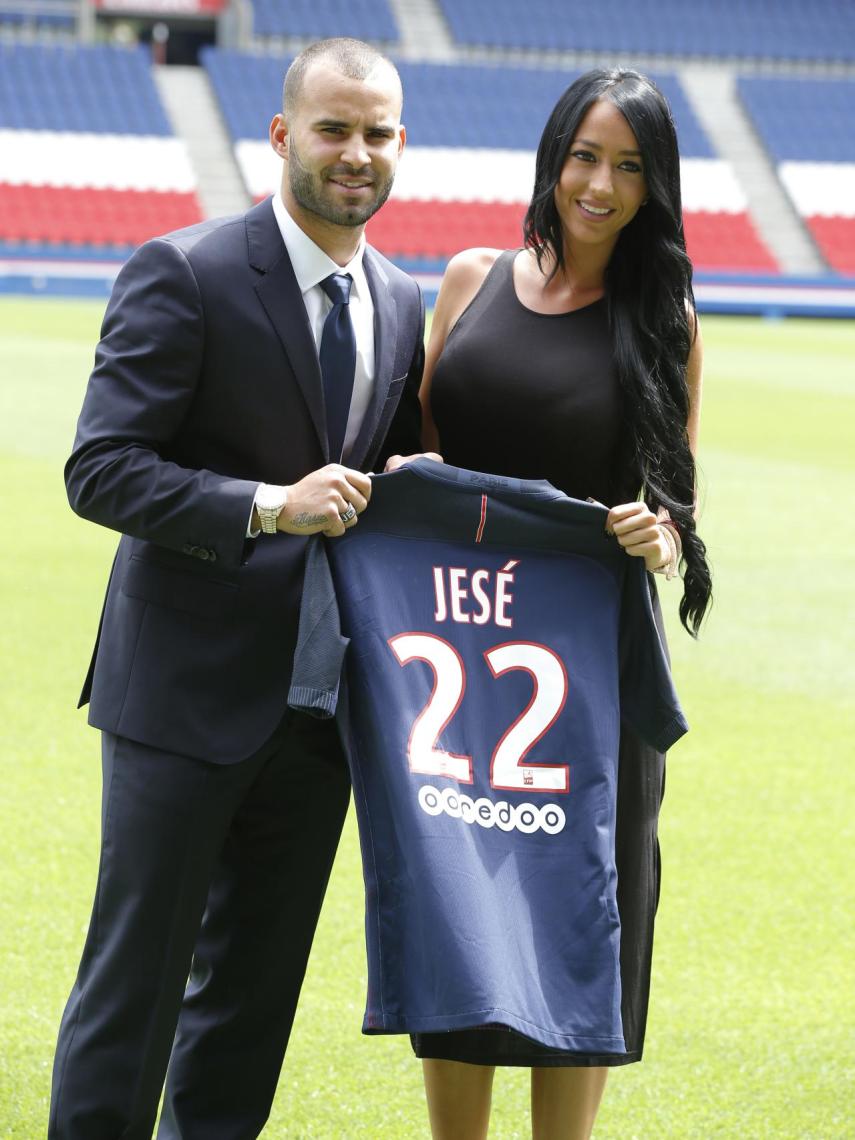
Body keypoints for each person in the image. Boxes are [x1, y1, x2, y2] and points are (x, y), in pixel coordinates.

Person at [49, 37, 427, 1140]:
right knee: (137, 991)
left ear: (401, 144)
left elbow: (382, 480)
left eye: (377, 133)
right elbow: (102, 468)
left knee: (250, 1006)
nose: (356, 153)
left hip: (320, 714)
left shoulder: (401, 301)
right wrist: (268, 503)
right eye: (334, 129)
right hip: (180, 698)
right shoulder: (188, 270)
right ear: (281, 135)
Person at [407, 68, 713, 1140]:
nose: (601, 184)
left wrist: (660, 533)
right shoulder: (467, 280)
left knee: (587, 920)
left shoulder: (664, 318)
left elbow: (672, 501)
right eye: (586, 155)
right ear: (552, 156)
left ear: (655, 186)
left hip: (589, 678)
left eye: (630, 166)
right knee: (459, 905)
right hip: (457, 662)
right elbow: (422, 464)